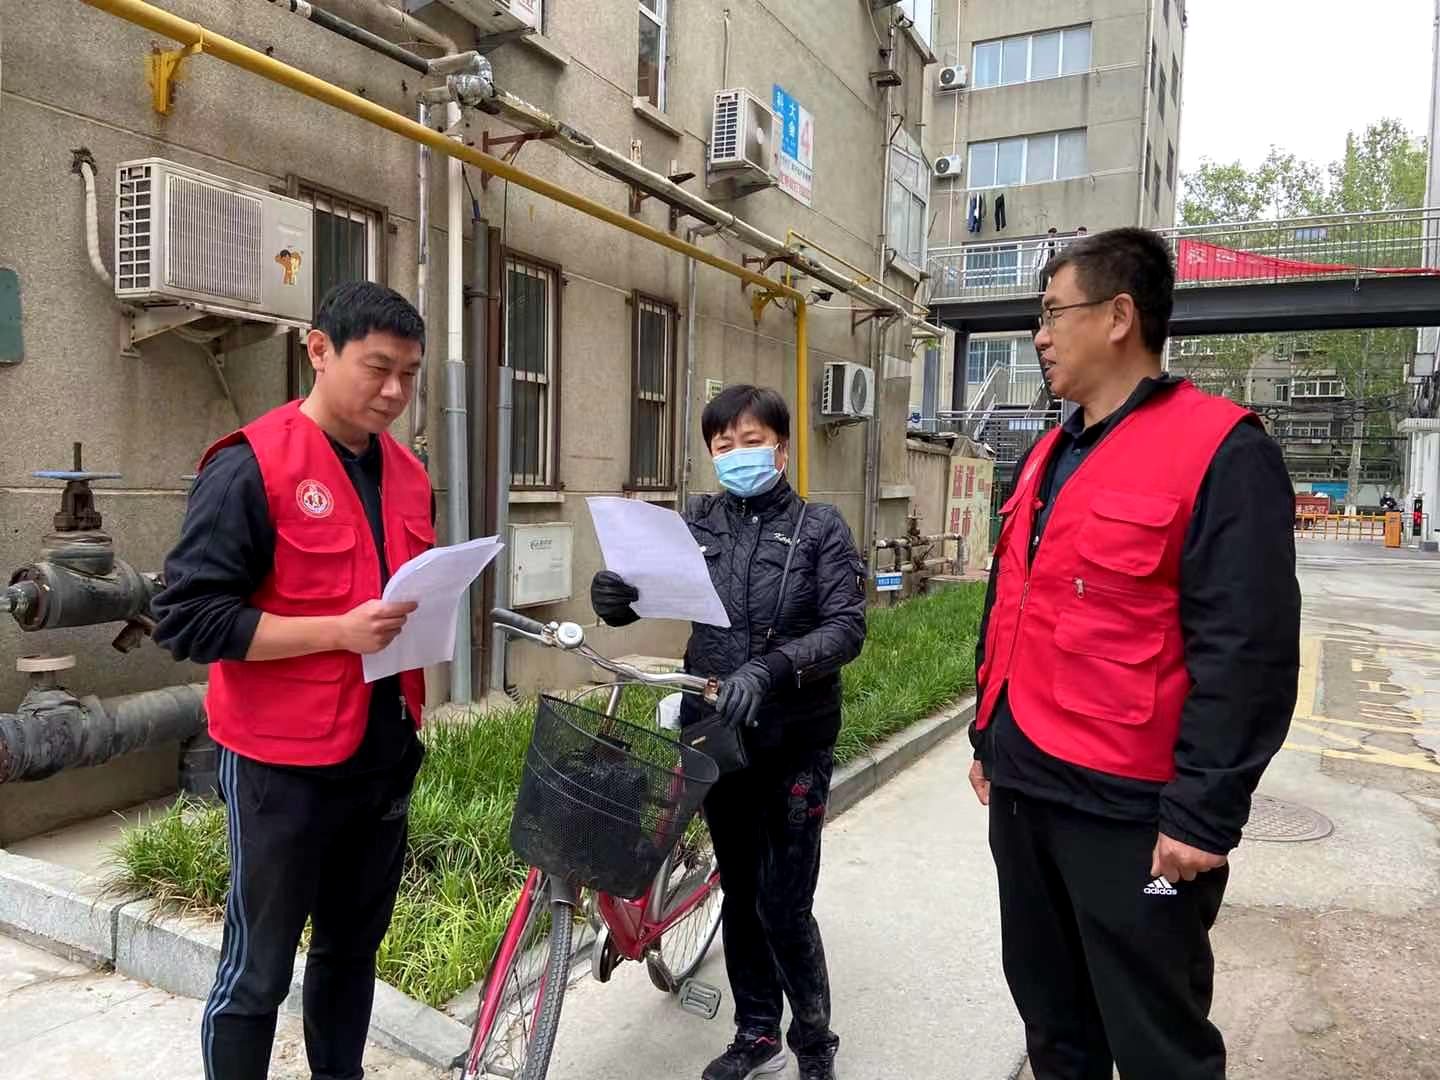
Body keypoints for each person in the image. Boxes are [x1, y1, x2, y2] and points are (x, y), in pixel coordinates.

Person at [969, 228, 1301, 1080]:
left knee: (1157, 1043)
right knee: (1054, 1027)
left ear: (1119, 316)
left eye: (1053, 314)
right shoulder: (1049, 452)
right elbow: (1011, 600)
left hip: (1132, 816)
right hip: (1026, 794)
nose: (1040, 336)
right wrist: (986, 738)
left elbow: (1249, 651)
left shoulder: (1223, 450)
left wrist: (1203, 812)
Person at [153, 281, 434, 1080]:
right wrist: (336, 633)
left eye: (409, 375)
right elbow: (189, 620)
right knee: (257, 972)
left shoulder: (408, 473)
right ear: (318, 350)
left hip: (380, 757)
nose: (394, 392)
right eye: (377, 368)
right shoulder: (251, 466)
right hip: (281, 770)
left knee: (350, 954)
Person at [590, 386, 866, 1080]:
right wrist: (616, 602)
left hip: (795, 740)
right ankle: (756, 1033)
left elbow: (846, 628)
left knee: (784, 903)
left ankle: (814, 1042)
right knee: (741, 890)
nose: (738, 455)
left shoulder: (820, 528)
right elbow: (652, 593)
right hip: (716, 733)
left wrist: (770, 670)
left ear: (781, 448)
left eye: (752, 441)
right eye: (723, 445)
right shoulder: (696, 524)